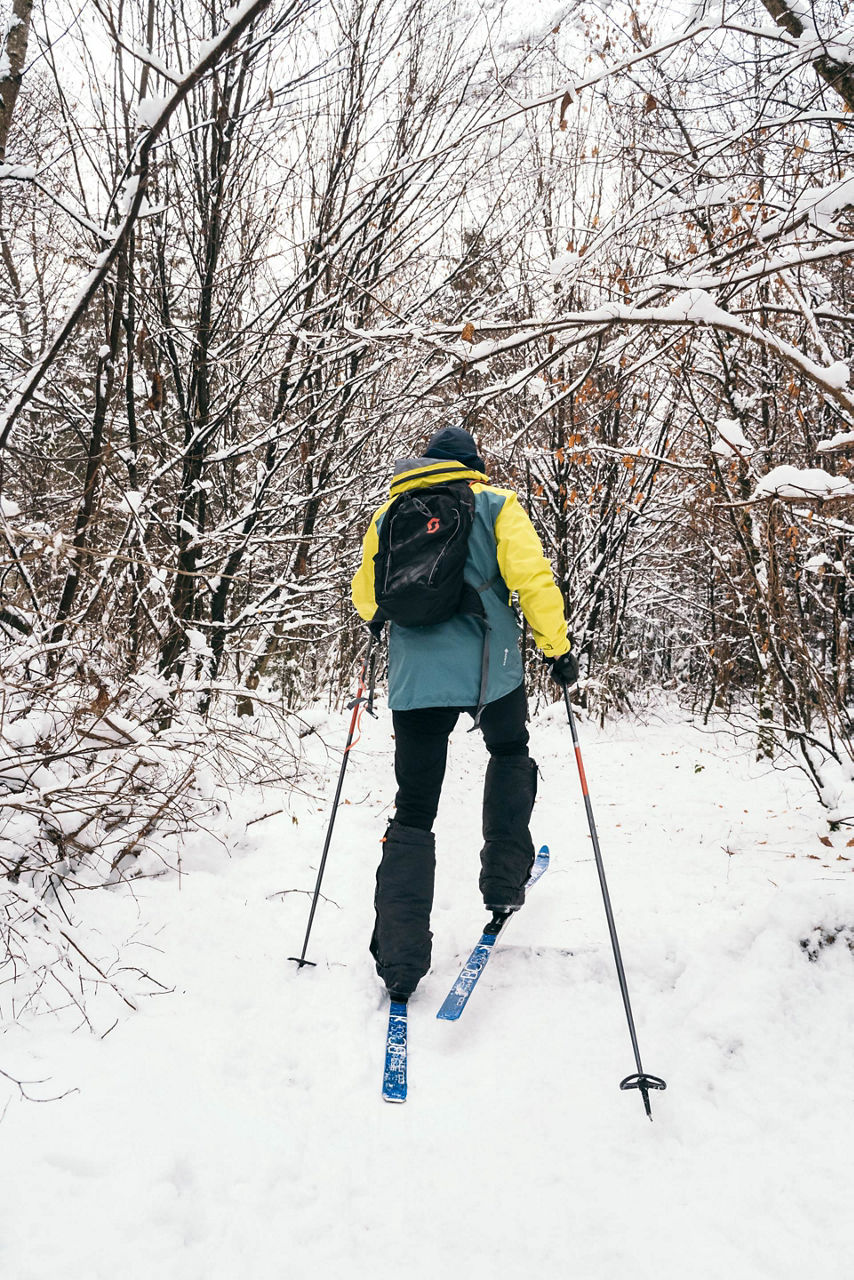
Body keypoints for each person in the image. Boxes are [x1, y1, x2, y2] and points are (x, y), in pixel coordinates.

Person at [351, 424, 578, 1002]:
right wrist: (558, 649)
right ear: (473, 464)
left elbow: (366, 598)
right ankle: (504, 882)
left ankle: (400, 958)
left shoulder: (391, 511)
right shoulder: (497, 504)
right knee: (508, 752)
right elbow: (533, 581)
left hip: (414, 675)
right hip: (490, 667)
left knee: (415, 806)